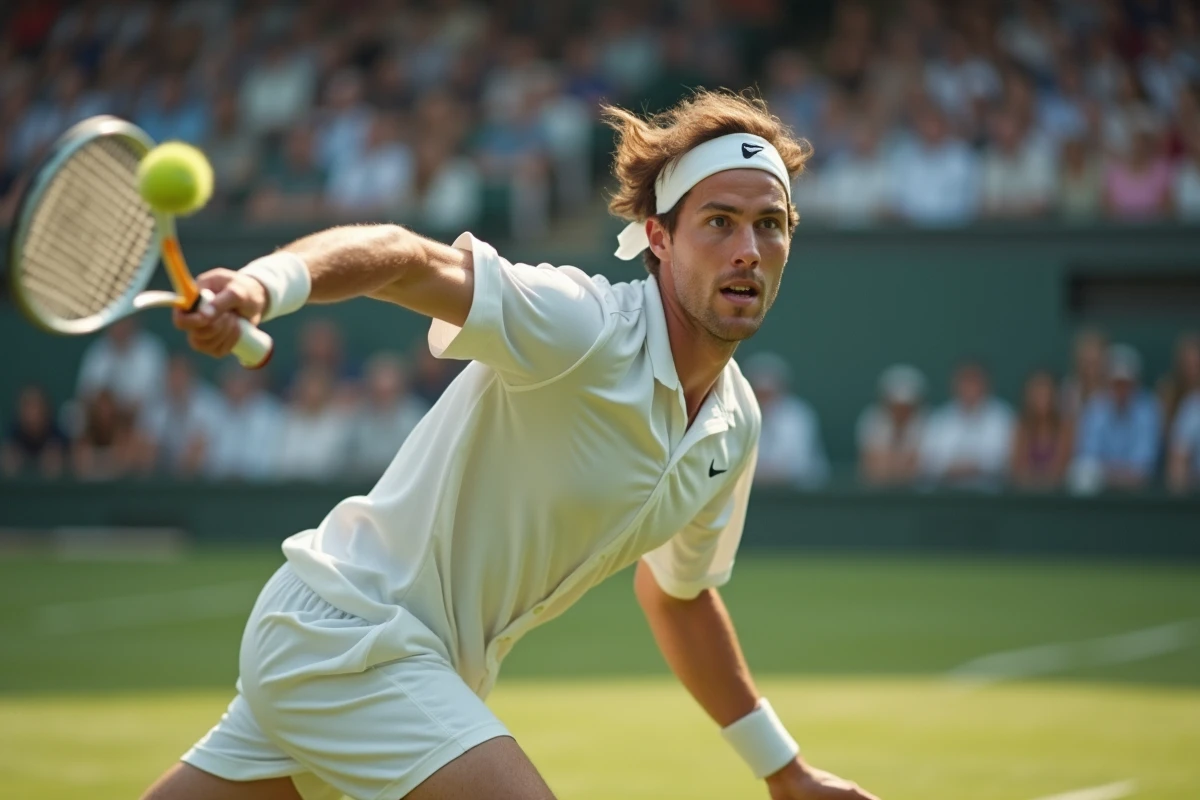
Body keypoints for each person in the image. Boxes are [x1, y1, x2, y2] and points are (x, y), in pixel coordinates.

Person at [144, 91, 876, 800]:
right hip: (351, 634)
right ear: (660, 238)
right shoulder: (581, 325)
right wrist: (263, 285)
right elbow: (403, 258)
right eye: (719, 222)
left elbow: (679, 596)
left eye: (770, 225)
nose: (748, 250)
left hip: (403, 662)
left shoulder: (733, 424)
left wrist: (783, 768)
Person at [1071, 344, 1161, 492]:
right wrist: (1117, 475)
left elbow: (1143, 470)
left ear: (1136, 383)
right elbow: (1087, 462)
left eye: (1126, 384)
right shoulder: (1095, 407)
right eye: (1116, 384)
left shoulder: (1148, 410)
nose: (1121, 390)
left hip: (1138, 497)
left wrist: (1106, 474)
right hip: (1099, 496)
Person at [918, 361, 1015, 490]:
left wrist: (973, 467)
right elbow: (929, 462)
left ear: (986, 384)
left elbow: (1002, 460)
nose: (970, 387)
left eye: (975, 381)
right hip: (945, 493)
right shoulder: (940, 417)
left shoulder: (1002, 416)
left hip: (991, 495)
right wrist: (955, 468)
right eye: (965, 381)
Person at [743, 352, 829, 489]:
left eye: (768, 393)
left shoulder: (798, 416)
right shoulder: (741, 415)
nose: (764, 400)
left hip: (802, 493)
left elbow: (794, 468)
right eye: (759, 393)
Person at [857, 364, 926, 487]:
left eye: (906, 407)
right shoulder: (871, 419)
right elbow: (871, 468)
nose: (900, 412)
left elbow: (921, 468)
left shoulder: (928, 421)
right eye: (895, 406)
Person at [1010, 369, 1073, 490]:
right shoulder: (1022, 427)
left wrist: (1044, 481)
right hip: (1026, 493)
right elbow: (1018, 467)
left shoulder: (1065, 426)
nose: (1041, 398)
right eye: (1037, 393)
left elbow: (1060, 468)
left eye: (1045, 393)